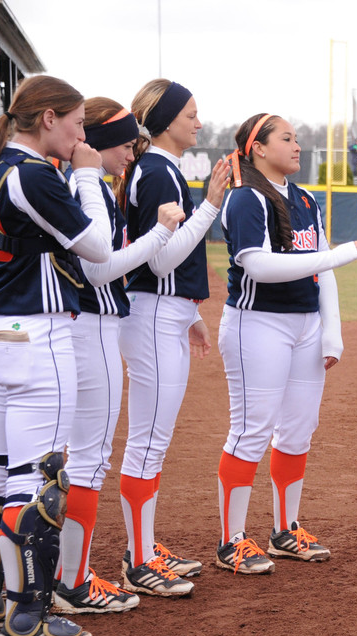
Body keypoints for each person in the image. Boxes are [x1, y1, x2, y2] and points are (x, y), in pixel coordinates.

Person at [215, 113, 357, 574]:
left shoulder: (304, 199)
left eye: (296, 138)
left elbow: (320, 272)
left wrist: (332, 331)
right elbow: (258, 266)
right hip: (257, 323)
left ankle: (285, 529)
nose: (297, 145)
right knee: (251, 431)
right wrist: (340, 254)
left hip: (304, 325)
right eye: (286, 138)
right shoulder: (246, 199)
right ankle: (231, 539)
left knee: (299, 429)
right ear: (258, 149)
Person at [0, 75, 113, 636]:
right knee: (40, 481)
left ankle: (5, 600)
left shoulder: (0, 167)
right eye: (76, 122)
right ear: (47, 118)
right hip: (36, 335)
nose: (80, 133)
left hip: (0, 331)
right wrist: (89, 175)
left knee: (2, 477)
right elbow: (98, 248)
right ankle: (26, 621)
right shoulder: (34, 172)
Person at [54, 98, 183, 616]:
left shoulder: (91, 187)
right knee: (89, 459)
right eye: (127, 143)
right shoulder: (85, 187)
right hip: (92, 322)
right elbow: (100, 271)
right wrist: (161, 233)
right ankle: (73, 583)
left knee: (79, 457)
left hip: (86, 324)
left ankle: (69, 575)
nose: (132, 153)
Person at [117, 79, 229, 598]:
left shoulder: (159, 167)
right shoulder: (159, 169)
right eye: (190, 114)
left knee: (152, 443)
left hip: (164, 312)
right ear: (164, 121)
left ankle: (144, 546)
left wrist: (190, 313)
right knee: (147, 443)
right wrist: (209, 206)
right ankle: (138, 559)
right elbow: (159, 257)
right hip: (154, 313)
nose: (199, 123)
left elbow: (161, 264)